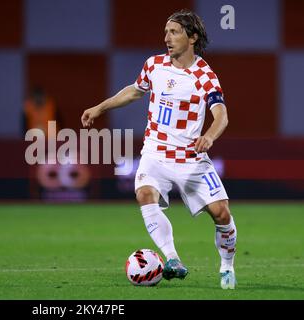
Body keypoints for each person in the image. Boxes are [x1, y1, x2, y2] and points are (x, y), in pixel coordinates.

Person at [81, 9, 237, 289]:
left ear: (192, 38)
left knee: (221, 214)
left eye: (174, 32)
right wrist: (99, 107)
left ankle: (226, 266)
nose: (166, 37)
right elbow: (134, 90)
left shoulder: (204, 76)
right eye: (166, 31)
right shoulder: (154, 65)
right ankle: (173, 258)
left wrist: (210, 136)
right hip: (155, 152)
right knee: (144, 194)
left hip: (190, 158)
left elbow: (221, 115)